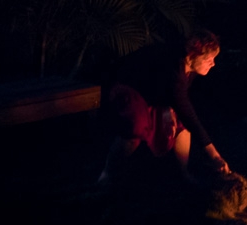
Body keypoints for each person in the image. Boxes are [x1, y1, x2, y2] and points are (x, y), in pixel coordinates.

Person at [97, 30, 230, 186]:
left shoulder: (189, 68)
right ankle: (107, 175)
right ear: (193, 54)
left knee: (180, 123)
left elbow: (179, 103)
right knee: (135, 125)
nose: (213, 63)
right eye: (209, 59)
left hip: (153, 93)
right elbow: (186, 111)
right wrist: (214, 156)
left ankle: (183, 174)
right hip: (129, 88)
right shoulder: (174, 66)